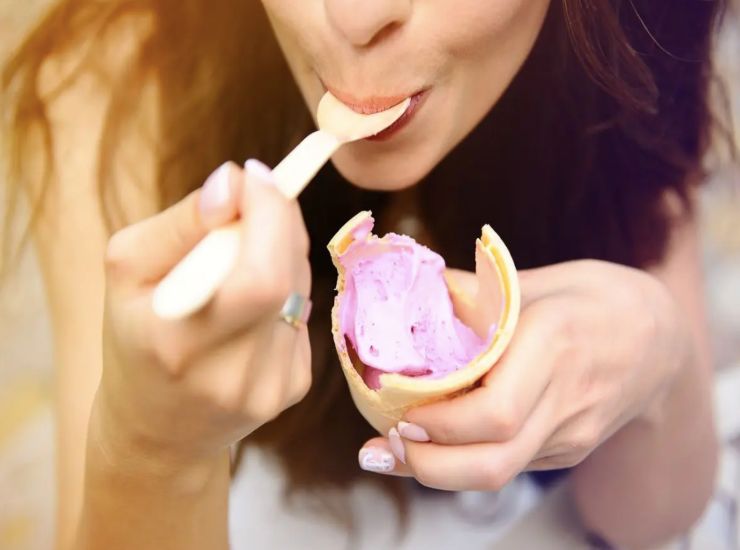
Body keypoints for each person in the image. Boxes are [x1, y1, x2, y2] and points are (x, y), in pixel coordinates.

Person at [1, 0, 725, 548]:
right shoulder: (118, 87)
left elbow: (646, 521)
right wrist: (151, 450)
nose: (354, 16)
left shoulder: (626, 43)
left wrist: (660, 357)